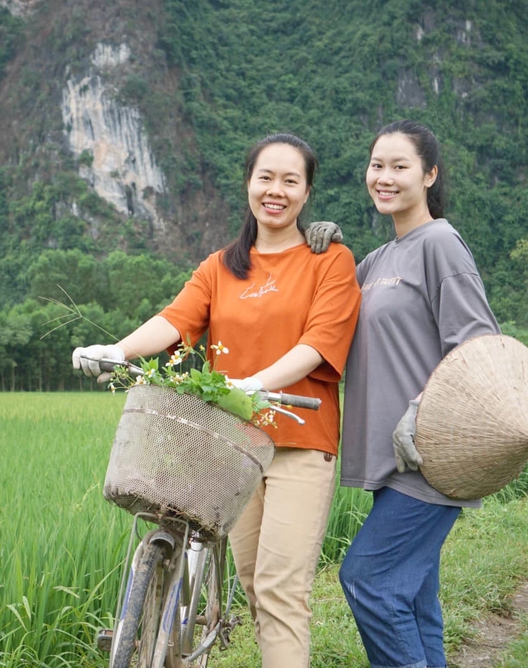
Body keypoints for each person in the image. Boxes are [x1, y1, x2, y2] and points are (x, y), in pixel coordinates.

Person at [73, 133, 360, 667]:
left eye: (290, 180)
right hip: (231, 447)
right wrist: (115, 348)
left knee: (279, 590)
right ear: (249, 184)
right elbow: (175, 320)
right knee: (253, 585)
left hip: (299, 444)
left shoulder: (331, 262)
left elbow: (319, 342)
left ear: (307, 192)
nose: (276, 190)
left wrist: (255, 384)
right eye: (265, 178)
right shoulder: (221, 266)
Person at [306, 120, 500, 668]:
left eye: (400, 166)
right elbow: (329, 301)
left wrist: (420, 411)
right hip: (394, 463)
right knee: (414, 601)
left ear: (429, 174)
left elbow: (478, 342)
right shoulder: (379, 259)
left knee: (369, 580)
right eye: (376, 165)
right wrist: (320, 244)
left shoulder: (440, 242)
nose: (384, 177)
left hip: (428, 455)